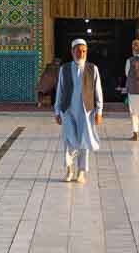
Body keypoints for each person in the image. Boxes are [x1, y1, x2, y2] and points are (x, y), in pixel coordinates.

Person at [54, 38, 103, 183]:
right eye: (78, 51)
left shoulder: (93, 69)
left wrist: (99, 111)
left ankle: (81, 172)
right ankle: (69, 170)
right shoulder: (64, 69)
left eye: (84, 51)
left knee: (84, 141)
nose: (81, 53)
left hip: (86, 111)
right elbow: (60, 91)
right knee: (69, 141)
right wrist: (57, 111)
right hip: (68, 110)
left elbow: (98, 91)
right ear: (72, 52)